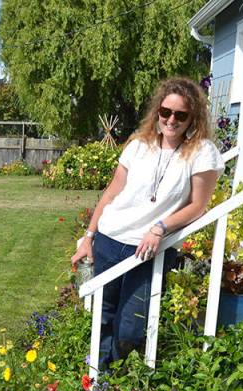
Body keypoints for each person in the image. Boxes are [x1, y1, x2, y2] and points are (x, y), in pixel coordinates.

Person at [71, 77, 224, 368]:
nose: (171, 120)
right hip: (109, 239)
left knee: (132, 326)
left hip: (148, 250)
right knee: (103, 316)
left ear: (193, 118)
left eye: (181, 115)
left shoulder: (202, 152)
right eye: (165, 112)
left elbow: (198, 206)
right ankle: (98, 384)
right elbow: (111, 193)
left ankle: (118, 380)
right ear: (157, 112)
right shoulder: (139, 146)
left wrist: (160, 227)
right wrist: (89, 237)